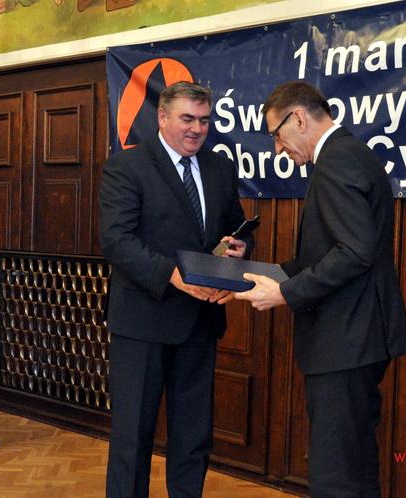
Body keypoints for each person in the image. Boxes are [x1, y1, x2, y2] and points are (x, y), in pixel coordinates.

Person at [231, 81, 406, 497]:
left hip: (346, 340)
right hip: (355, 339)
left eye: (277, 135)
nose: (277, 149)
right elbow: (326, 254)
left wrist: (285, 294)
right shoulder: (346, 154)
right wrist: (258, 273)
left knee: (337, 476)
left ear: (298, 117)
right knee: (352, 465)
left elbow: (354, 252)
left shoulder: (336, 161)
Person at [99, 81, 252, 498]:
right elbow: (116, 240)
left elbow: (234, 227)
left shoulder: (219, 168)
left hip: (201, 323)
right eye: (187, 119)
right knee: (133, 438)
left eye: (204, 120)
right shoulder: (127, 167)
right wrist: (173, 275)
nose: (197, 129)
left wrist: (239, 248)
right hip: (143, 322)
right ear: (162, 116)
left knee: (193, 437)